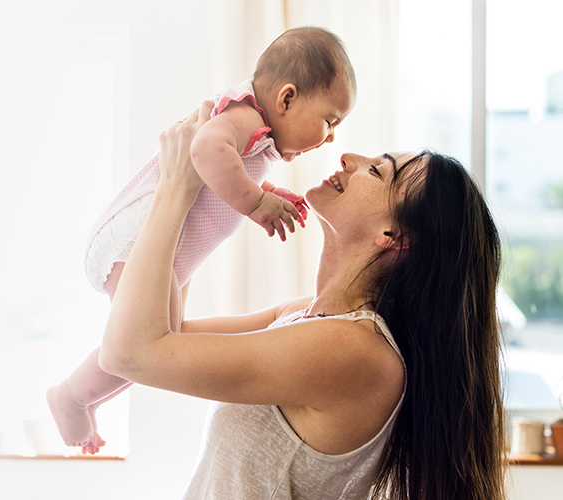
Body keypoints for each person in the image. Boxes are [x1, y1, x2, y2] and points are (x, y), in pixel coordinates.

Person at [99, 102, 508, 499]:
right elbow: (166, 331)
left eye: (377, 171)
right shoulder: (305, 317)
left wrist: (174, 187)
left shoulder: (353, 350)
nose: (348, 156)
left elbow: (132, 353)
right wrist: (202, 201)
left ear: (392, 237)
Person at [47, 26, 356, 451]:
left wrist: (264, 195)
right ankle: (70, 398)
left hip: (161, 247)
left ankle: (81, 398)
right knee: (146, 344)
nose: (332, 137)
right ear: (286, 98)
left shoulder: (257, 133)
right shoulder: (246, 116)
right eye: (330, 121)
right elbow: (205, 150)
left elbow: (223, 177)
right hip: (136, 235)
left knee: (158, 342)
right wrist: (254, 202)